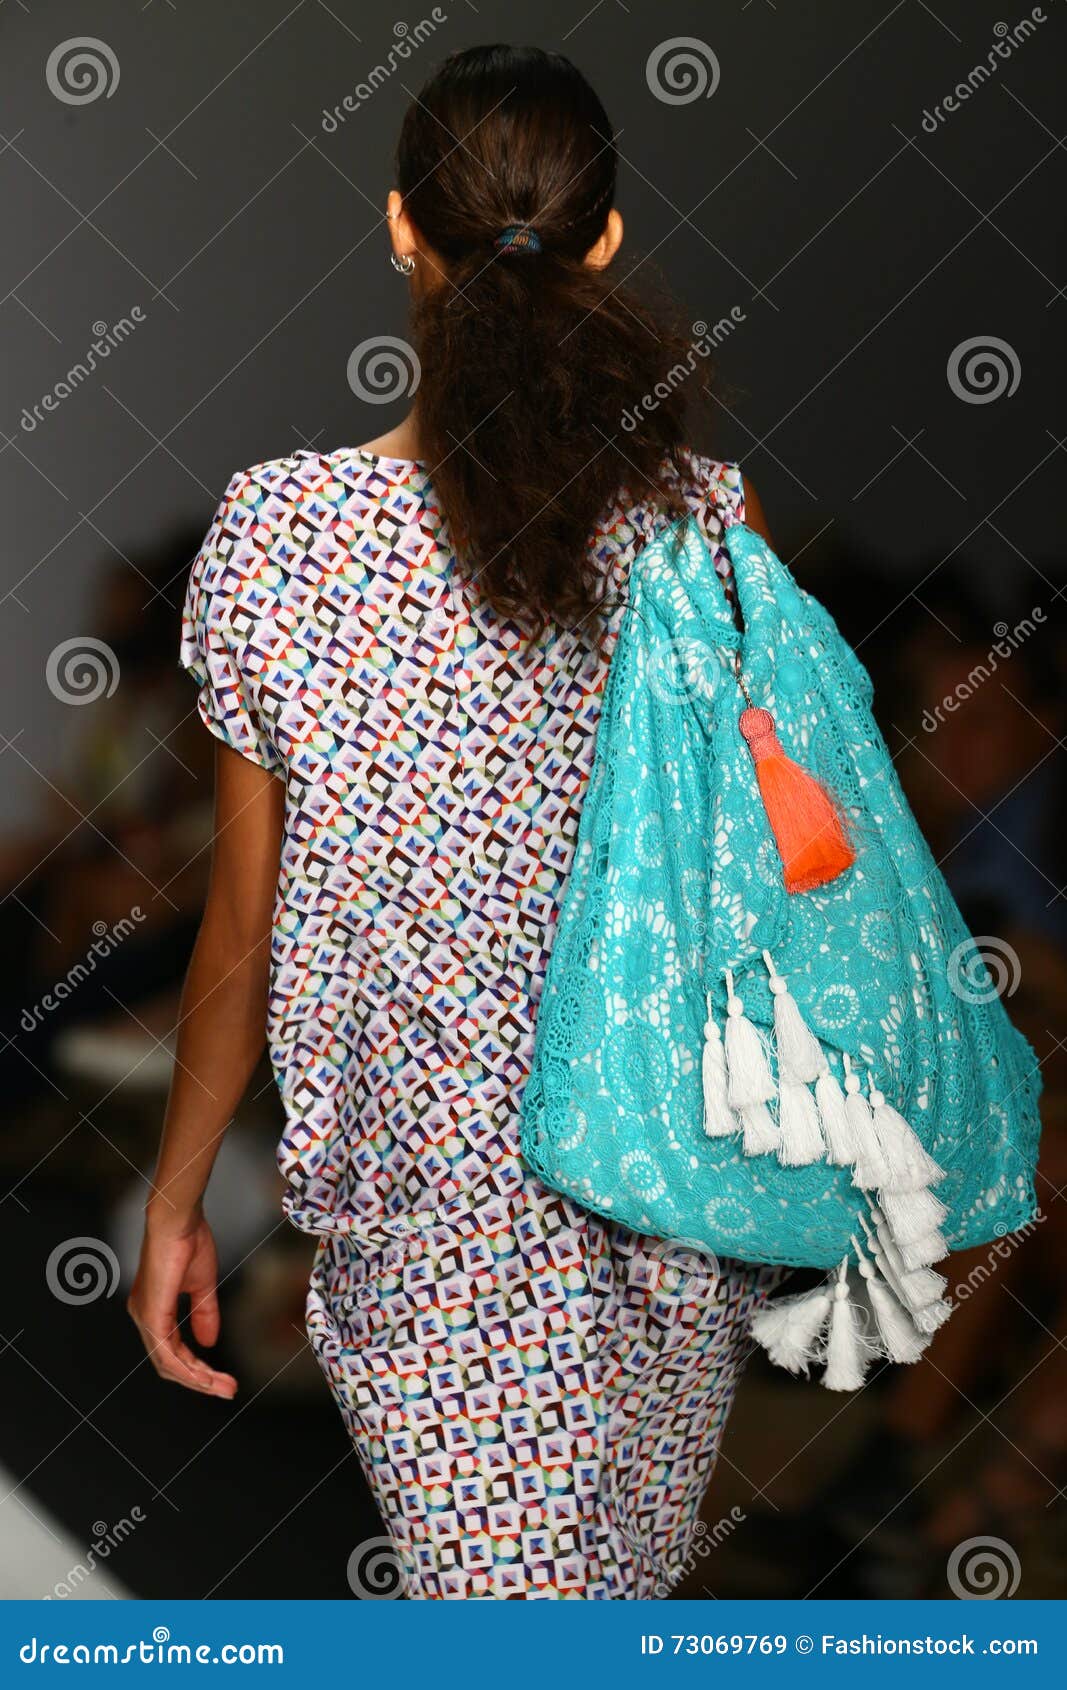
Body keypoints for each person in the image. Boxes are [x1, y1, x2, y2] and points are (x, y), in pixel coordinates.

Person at [127, 43, 785, 1600]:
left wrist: (177, 1198)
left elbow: (245, 918)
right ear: (606, 242)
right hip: (666, 1184)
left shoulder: (283, 535)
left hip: (434, 1212)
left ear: (401, 232)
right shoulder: (704, 523)